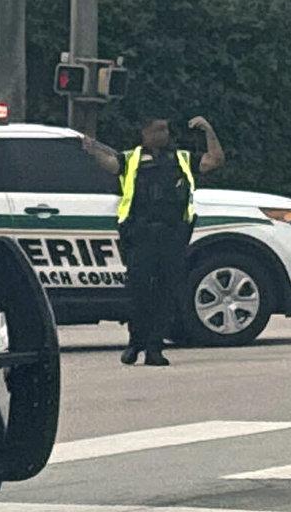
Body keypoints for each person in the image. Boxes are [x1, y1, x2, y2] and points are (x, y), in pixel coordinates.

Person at [80, 114, 223, 365]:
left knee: (166, 294)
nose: (163, 134)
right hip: (140, 236)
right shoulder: (131, 159)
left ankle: (155, 349)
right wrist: (92, 150)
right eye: (158, 130)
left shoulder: (182, 158)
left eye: (166, 130)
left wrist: (209, 130)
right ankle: (135, 344)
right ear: (145, 134)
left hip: (172, 236)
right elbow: (110, 164)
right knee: (139, 294)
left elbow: (215, 160)